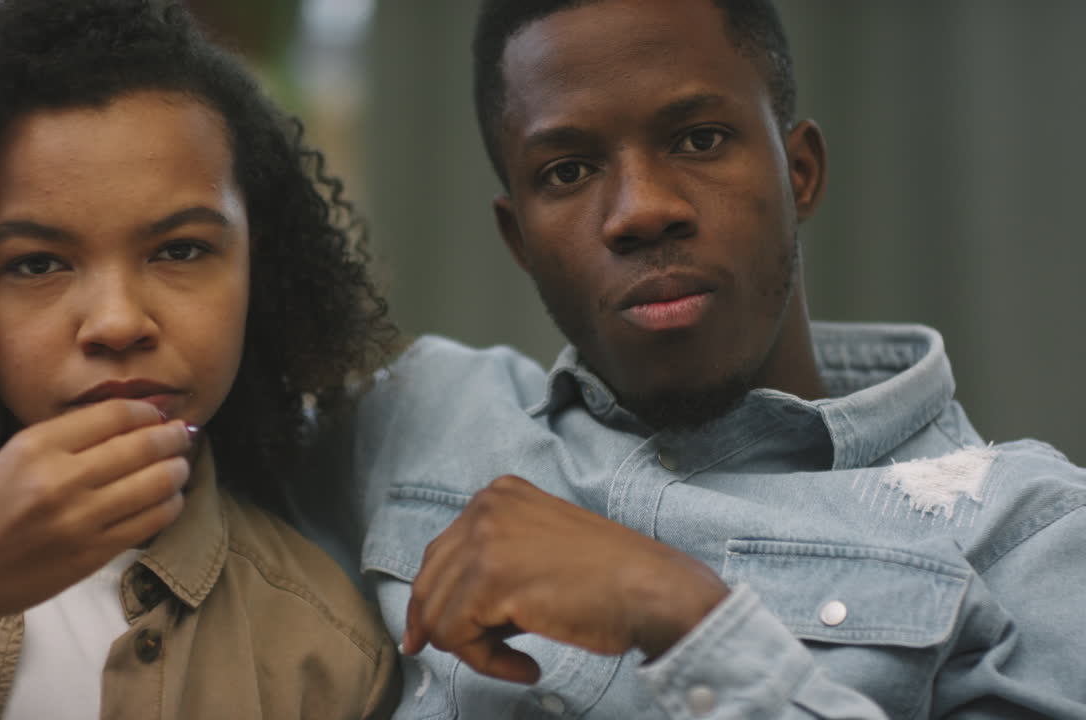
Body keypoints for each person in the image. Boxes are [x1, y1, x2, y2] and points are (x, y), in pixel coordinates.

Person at [288, 0, 1086, 717]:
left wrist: (678, 612)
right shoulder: (414, 417)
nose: (642, 210)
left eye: (699, 139)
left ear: (799, 173)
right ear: (518, 238)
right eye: (567, 171)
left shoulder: (1029, 534)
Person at [0, 1, 400, 718]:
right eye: (36, 264)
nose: (118, 322)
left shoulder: (326, 657)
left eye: (181, 250)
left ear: (259, 270)